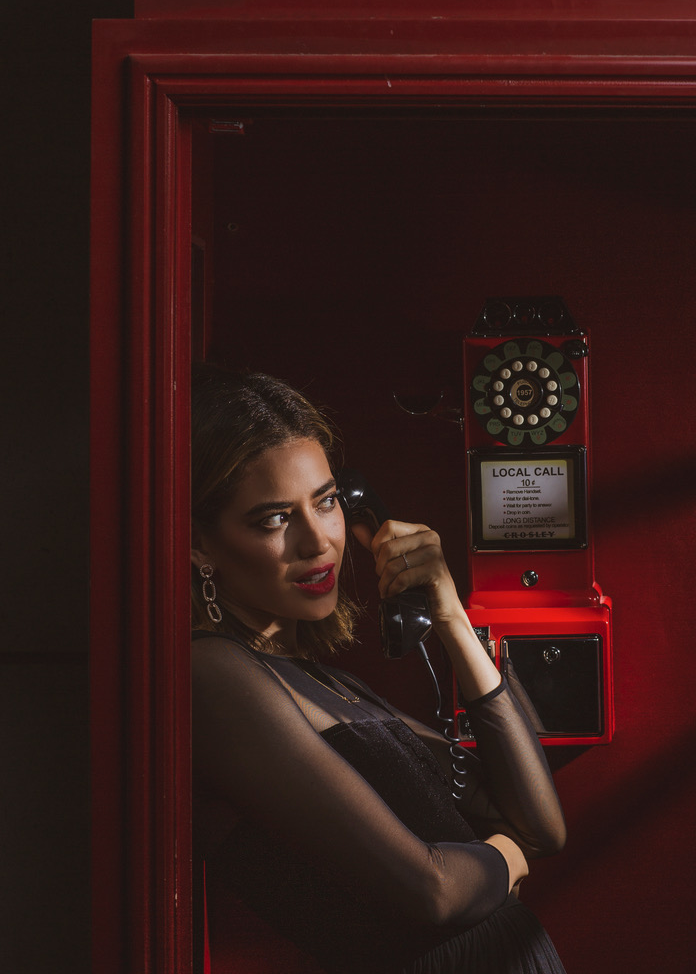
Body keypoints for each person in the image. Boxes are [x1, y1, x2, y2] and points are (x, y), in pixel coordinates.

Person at [190, 365, 568, 973]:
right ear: (199, 543)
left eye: (327, 502)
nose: (318, 542)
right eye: (274, 519)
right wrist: (509, 857)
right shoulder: (214, 674)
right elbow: (432, 891)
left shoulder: (323, 681)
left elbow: (544, 827)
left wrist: (449, 615)